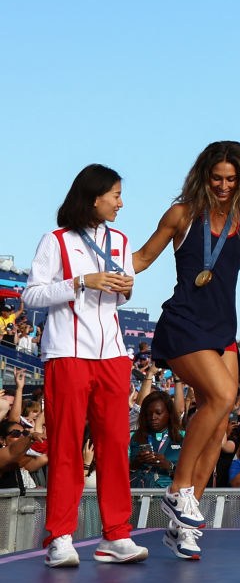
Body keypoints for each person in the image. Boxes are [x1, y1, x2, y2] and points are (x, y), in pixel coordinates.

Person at [133, 141, 240, 560]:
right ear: (203, 176)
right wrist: (91, 263)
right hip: (184, 323)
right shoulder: (182, 214)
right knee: (223, 396)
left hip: (223, 329)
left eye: (231, 179)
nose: (223, 186)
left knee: (221, 420)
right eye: (216, 178)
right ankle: (177, 490)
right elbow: (140, 259)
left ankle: (183, 526)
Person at [23, 164, 148, 567]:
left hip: (112, 354)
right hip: (66, 352)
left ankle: (117, 535)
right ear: (93, 196)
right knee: (65, 446)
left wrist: (124, 287)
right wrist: (82, 282)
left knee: (114, 445)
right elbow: (32, 297)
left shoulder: (122, 240)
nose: (120, 202)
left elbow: (121, 296)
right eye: (115, 195)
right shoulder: (55, 240)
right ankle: (60, 536)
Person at [129, 391, 185, 490]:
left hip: (171, 499)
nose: (153, 417)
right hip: (139, 498)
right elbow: (120, 473)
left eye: (158, 413)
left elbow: (193, 474)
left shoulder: (184, 437)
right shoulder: (133, 437)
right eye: (148, 414)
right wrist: (136, 463)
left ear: (169, 413)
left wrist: (169, 466)